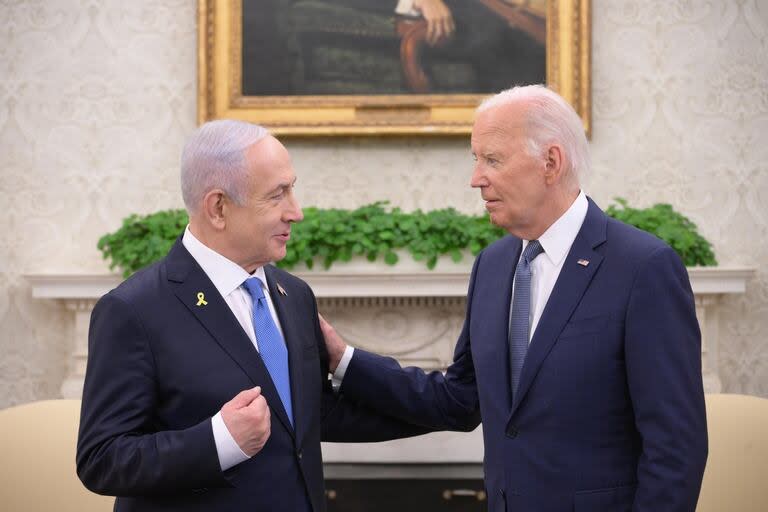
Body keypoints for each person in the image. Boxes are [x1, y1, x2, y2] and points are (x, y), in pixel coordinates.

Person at [321, 85, 709, 511]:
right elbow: (460, 399)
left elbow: (676, 450)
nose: (476, 178)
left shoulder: (643, 267)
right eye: (476, 159)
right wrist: (345, 360)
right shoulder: (493, 264)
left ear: (551, 162)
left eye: (493, 159)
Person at [76, 120, 428, 511]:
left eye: (292, 189)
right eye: (277, 195)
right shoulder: (132, 310)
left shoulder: (293, 294)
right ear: (219, 207)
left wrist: (460, 404)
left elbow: (310, 416)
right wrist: (219, 441)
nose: (296, 212)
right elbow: (102, 459)